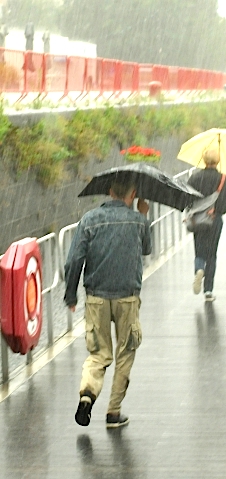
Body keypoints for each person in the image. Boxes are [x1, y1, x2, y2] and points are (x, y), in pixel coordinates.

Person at [64, 180, 152, 428]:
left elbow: (73, 261)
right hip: (127, 296)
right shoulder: (138, 221)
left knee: (99, 353)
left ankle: (87, 394)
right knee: (125, 351)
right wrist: (143, 216)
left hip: (96, 298)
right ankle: (113, 412)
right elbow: (147, 249)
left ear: (109, 192)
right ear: (133, 194)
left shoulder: (90, 220)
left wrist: (71, 295)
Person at [187, 149, 226, 302]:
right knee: (212, 253)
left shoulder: (194, 178)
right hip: (215, 219)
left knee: (199, 248)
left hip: (198, 219)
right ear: (218, 161)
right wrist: (218, 205)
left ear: (204, 160)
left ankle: (199, 268)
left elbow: (187, 197)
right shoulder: (224, 179)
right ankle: (208, 290)